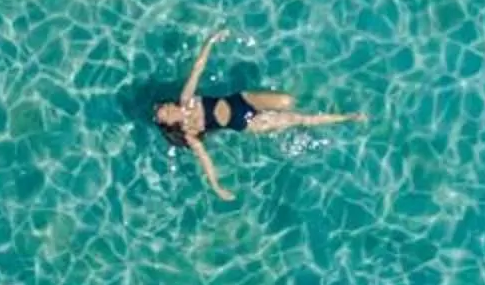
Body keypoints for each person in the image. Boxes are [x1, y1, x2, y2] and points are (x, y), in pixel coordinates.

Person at [150, 29, 365, 201]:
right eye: (166, 112)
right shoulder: (190, 132)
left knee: (287, 101)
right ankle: (348, 117)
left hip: (241, 100)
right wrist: (217, 186)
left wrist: (211, 41)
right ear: (171, 124)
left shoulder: (186, 98)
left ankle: (318, 90)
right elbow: (205, 159)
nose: (168, 106)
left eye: (166, 105)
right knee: (300, 119)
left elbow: (197, 69)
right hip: (246, 122)